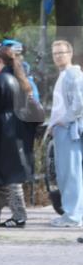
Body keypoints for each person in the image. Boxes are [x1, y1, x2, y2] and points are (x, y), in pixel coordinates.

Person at [0, 46, 38, 228]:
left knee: (9, 173)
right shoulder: (22, 80)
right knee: (7, 171)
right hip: (20, 127)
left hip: (4, 127)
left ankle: (19, 215)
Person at [49, 40, 83, 228]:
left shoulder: (73, 74)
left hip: (70, 130)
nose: (58, 56)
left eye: (61, 52)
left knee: (71, 173)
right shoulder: (64, 75)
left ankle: (73, 216)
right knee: (66, 173)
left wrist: (66, 120)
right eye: (55, 53)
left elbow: (79, 103)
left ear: (70, 53)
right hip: (63, 129)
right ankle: (73, 213)